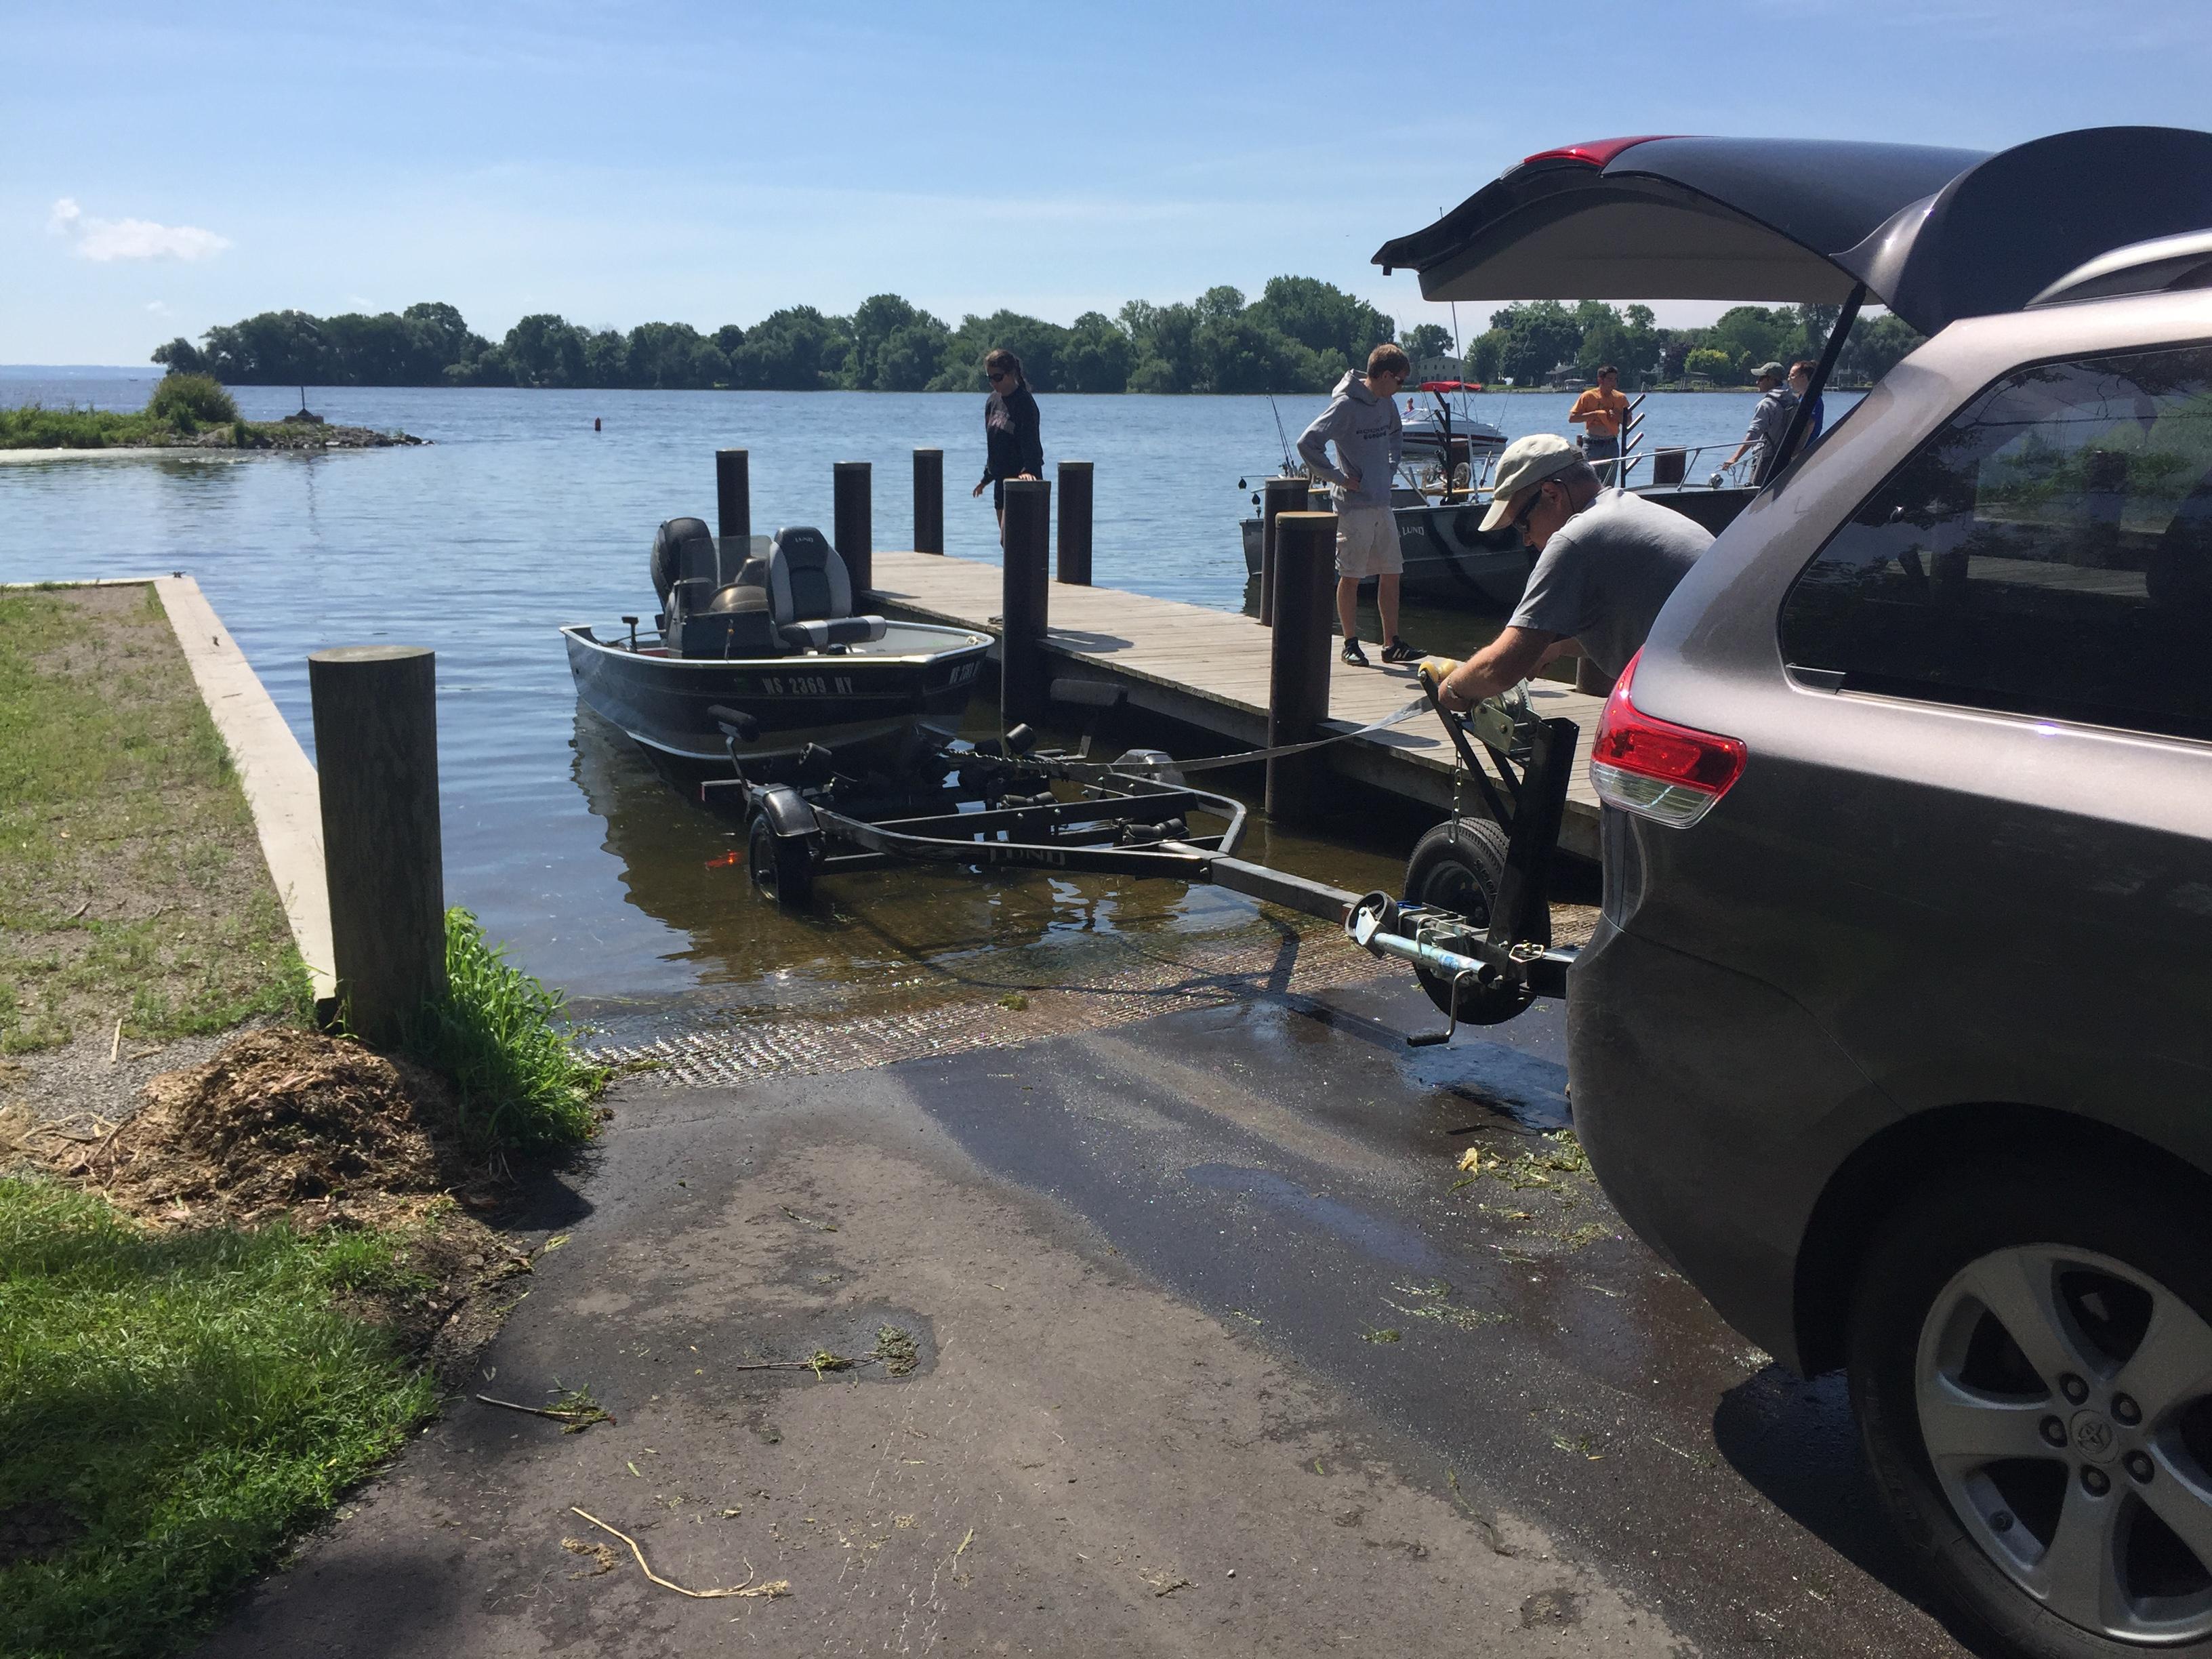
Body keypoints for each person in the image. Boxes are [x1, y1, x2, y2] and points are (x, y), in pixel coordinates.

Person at [1427, 434, 1713, 713]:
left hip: (1698, 698)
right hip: (1730, 682)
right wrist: (1558, 648)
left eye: (1522, 525)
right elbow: (1644, 626)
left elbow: (1501, 668)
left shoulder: (1576, 538)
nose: (1525, 540)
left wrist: (1453, 689)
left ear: (1552, 495)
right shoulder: (1628, 510)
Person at [1296, 343, 1416, 666]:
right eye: (1400, 381)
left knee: (1391, 572)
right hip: (1354, 507)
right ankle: (1351, 643)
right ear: (1386, 375)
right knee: (1351, 576)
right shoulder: (1346, 406)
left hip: (1382, 503)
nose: (1400, 388)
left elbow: (1396, 434)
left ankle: (1392, 644)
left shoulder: (1386, 404)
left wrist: (1391, 466)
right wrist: (1337, 477)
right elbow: (1307, 443)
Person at [970, 348, 1042, 531]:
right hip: (1001, 483)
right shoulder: (992, 402)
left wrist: (1028, 470)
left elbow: (1032, 442)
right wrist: (987, 478)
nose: (994, 383)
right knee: (1007, 543)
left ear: (1011, 374)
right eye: (990, 378)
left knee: (1015, 540)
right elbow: (994, 445)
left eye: (998, 377)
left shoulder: (1025, 403)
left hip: (1021, 484)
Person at [1723, 361, 1799, 484]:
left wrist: (1735, 458)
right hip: (1786, 460)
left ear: (1771, 379)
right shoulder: (1793, 401)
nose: (1757, 382)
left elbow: (1753, 434)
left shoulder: (1767, 404)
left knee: (1757, 498)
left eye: (1761, 378)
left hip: (1766, 461)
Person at [1568, 365, 1629, 483]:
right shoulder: (1588, 396)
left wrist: (1618, 416)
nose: (1613, 383)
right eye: (1610, 379)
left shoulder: (1620, 398)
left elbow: (1628, 422)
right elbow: (1572, 418)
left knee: (1609, 482)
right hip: (1593, 444)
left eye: (1615, 380)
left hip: (1611, 443)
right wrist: (1594, 414)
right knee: (1590, 481)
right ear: (1600, 380)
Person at [1788, 359, 1825, 443]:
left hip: (1805, 451)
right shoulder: (1801, 398)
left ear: (1803, 377)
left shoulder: (1814, 400)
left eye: (1792, 376)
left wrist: (1796, 452)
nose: (1789, 379)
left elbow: (1809, 425)